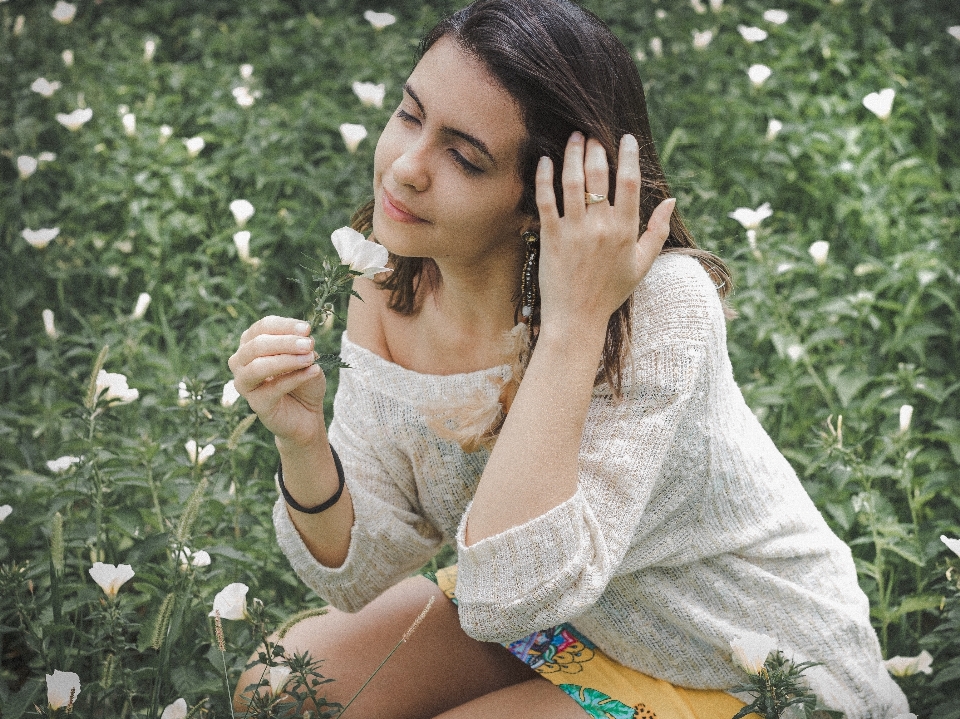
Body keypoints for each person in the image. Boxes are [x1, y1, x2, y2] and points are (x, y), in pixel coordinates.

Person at [228, 1, 910, 716]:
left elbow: (506, 588)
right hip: (555, 623)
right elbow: (357, 574)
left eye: (462, 156)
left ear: (545, 196)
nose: (405, 167)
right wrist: (302, 441)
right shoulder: (390, 279)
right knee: (276, 696)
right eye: (408, 114)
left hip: (731, 652)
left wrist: (573, 324)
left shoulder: (658, 305)